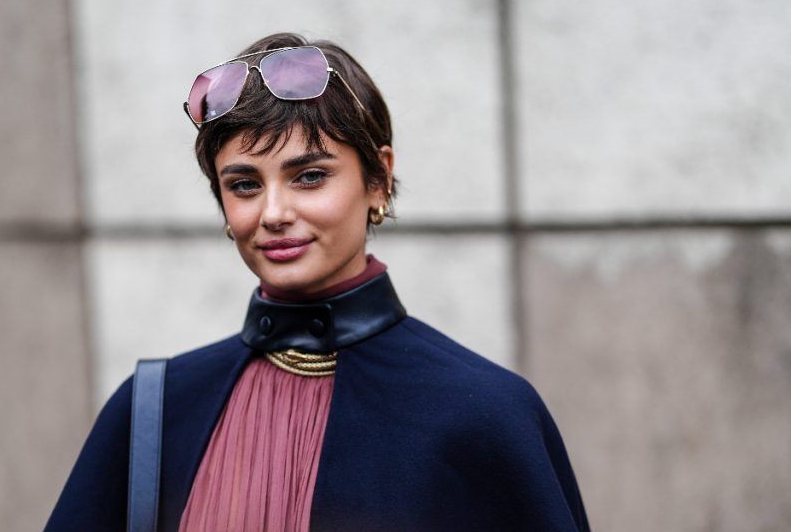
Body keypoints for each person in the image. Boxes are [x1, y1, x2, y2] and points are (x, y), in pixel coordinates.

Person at [45, 33, 590, 532]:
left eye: (309, 176)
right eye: (244, 184)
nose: (274, 213)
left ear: (378, 179)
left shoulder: (485, 415)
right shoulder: (154, 411)